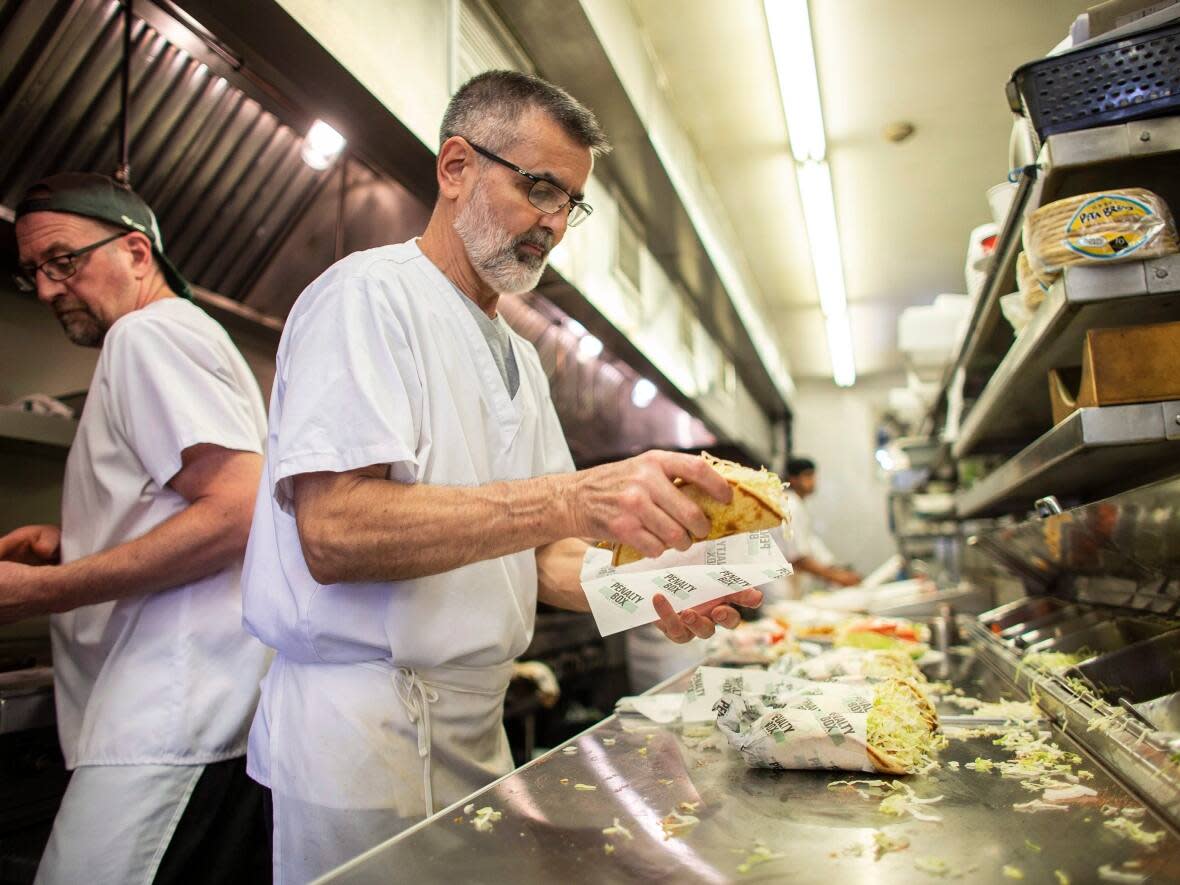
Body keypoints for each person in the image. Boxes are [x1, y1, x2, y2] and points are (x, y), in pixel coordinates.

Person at [241, 69, 762, 883]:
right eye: (540, 189)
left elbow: (539, 559)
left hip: (475, 730)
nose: (554, 223)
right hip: (364, 739)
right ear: (455, 167)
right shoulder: (367, 297)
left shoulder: (519, 354)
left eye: (570, 204)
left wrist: (657, 586)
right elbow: (334, 531)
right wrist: (571, 495)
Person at [2, 173, 272, 884]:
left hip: (170, 711)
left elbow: (237, 510)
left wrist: (44, 589)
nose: (52, 287)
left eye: (64, 260)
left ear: (136, 251)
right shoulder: (185, 335)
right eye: (34, 272)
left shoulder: (146, 336)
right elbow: (192, 506)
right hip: (199, 708)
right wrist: (76, 540)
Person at [782, 456, 861, 595]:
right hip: (781, 587)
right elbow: (797, 558)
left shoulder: (798, 506)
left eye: (813, 476)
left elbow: (811, 545)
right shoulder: (790, 506)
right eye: (807, 476)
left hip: (793, 586)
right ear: (793, 479)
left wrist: (835, 569)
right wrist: (836, 577)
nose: (813, 481)